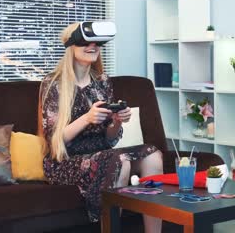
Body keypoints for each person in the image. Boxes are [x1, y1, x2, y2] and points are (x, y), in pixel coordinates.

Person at [40, 22, 163, 233]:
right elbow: (55, 143)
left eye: (98, 43)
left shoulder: (102, 82)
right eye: (86, 43)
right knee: (120, 162)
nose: (93, 47)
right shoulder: (53, 84)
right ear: (71, 46)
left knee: (152, 154)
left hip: (102, 152)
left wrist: (117, 121)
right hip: (65, 160)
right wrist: (87, 119)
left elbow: (109, 139)